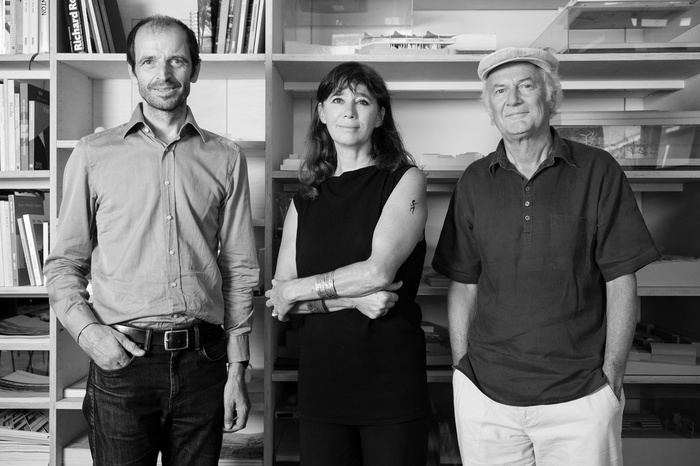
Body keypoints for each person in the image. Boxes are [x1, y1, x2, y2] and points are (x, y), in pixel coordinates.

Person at [44, 15, 259, 465]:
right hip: (123, 363)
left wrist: (237, 369)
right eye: (148, 61)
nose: (163, 74)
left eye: (176, 60)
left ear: (195, 69)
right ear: (132, 70)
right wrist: (89, 334)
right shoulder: (92, 154)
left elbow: (239, 269)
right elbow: (64, 264)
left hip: (204, 363)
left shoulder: (226, 157)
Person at [432, 47, 661, 465]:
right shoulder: (474, 182)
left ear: (551, 97)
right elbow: (463, 285)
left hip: (581, 397)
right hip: (487, 399)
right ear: (490, 110)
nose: (513, 99)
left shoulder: (598, 170)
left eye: (526, 86)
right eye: (500, 91)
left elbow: (621, 280)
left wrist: (613, 375)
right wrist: (462, 371)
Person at [265, 61, 430, 466]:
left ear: (381, 115)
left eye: (363, 101)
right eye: (338, 100)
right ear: (322, 113)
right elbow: (280, 305)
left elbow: (377, 272)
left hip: (391, 383)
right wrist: (352, 300)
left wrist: (294, 289)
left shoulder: (405, 180)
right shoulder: (305, 200)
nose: (350, 111)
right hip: (322, 383)